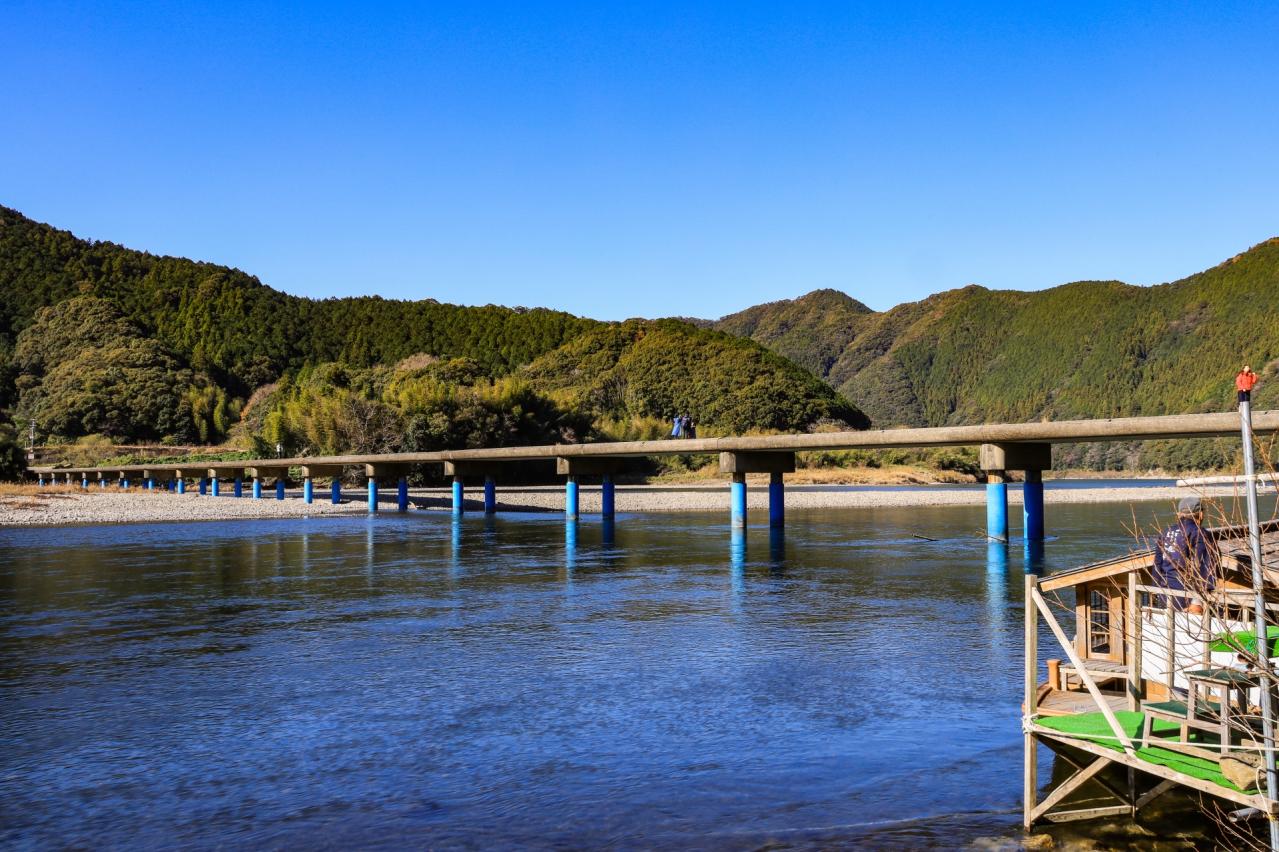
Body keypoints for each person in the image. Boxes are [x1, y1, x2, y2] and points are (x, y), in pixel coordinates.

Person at [1152, 496, 1217, 613]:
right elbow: (1206, 565)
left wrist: (1155, 589)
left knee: (1169, 628)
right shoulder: (1199, 533)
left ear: (1179, 514)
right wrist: (1197, 601)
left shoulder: (1166, 532)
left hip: (1164, 592)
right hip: (1186, 594)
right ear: (1201, 514)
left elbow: (1157, 563)